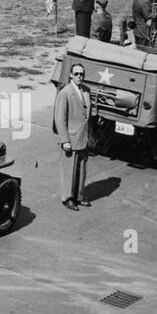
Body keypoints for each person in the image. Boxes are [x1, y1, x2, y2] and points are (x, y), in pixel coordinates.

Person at [54, 64, 91, 211]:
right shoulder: (65, 93)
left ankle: (79, 196)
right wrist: (65, 140)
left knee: (81, 169)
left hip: (83, 137)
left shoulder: (86, 91)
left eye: (82, 74)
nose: (79, 77)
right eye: (76, 74)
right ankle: (67, 198)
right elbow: (60, 119)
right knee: (69, 170)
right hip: (71, 138)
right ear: (70, 75)